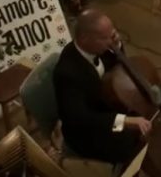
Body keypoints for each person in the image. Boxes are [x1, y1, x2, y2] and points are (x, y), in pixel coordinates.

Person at [53, 10, 149, 165]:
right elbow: (80, 118)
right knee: (129, 141)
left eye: (112, 35)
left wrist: (117, 46)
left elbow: (117, 69)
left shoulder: (99, 47)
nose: (110, 42)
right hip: (87, 130)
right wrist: (124, 121)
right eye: (105, 38)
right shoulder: (67, 73)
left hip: (106, 104)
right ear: (84, 38)